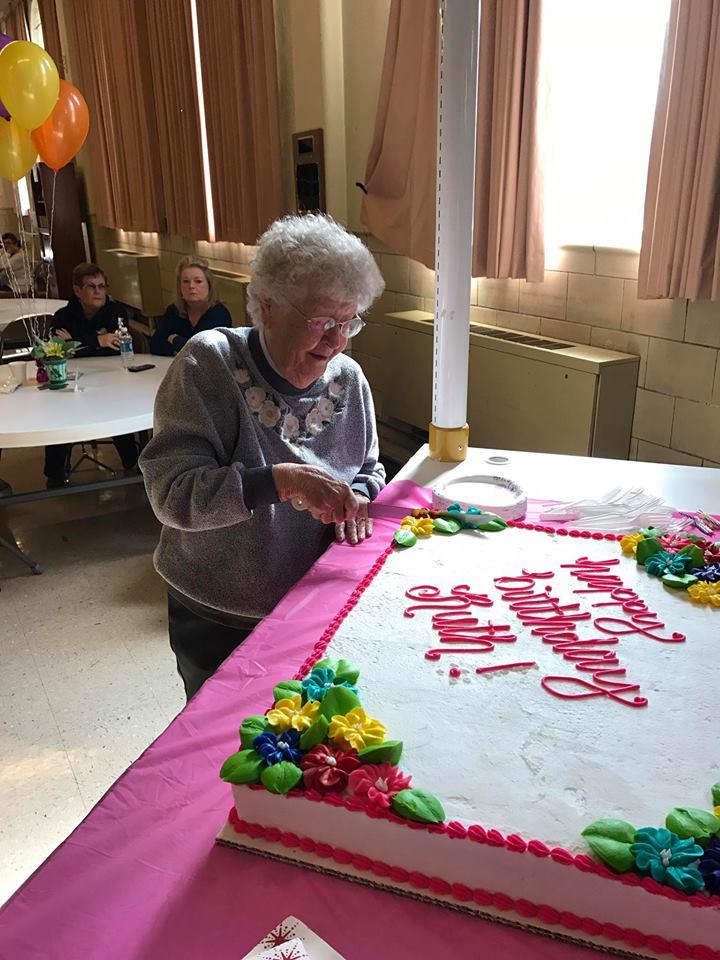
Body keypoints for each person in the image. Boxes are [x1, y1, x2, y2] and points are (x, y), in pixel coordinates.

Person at [140, 214, 386, 700]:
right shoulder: (207, 362)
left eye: (349, 320)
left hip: (315, 605)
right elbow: (173, 495)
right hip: (219, 614)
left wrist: (356, 498)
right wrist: (281, 481)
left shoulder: (349, 378)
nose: (337, 340)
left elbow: (371, 468)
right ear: (267, 306)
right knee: (224, 750)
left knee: (307, 747)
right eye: (322, 322)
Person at [44, 263, 138, 488]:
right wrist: (98, 340)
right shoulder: (63, 316)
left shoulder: (116, 313)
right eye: (91, 287)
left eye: (102, 286)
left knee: (117, 409)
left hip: (111, 376)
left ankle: (132, 463)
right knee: (62, 413)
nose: (98, 292)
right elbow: (60, 350)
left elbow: (115, 345)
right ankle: (55, 473)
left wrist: (77, 341)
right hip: (75, 376)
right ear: (77, 290)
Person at [149, 256, 231, 356]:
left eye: (198, 281)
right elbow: (155, 345)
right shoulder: (174, 311)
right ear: (180, 287)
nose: (191, 286)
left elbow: (204, 352)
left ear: (209, 286)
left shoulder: (219, 313)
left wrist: (174, 339)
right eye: (186, 281)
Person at [0, 232, 30, 297]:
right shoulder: (9, 253)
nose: (6, 245)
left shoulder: (20, 256)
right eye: (4, 243)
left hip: (18, 286)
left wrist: (6, 252)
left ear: (16, 244)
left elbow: (3, 268)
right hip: (8, 283)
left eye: (8, 243)